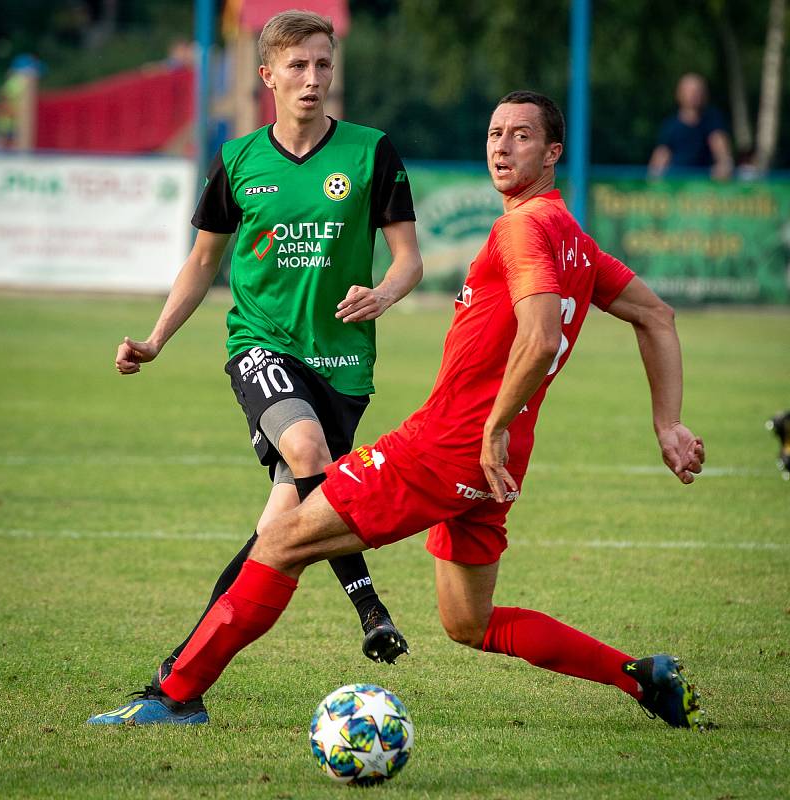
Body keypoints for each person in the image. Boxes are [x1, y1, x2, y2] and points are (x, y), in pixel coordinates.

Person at [90, 90, 707, 731]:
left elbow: (542, 334)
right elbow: (655, 315)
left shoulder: (522, 228)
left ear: (553, 153)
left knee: (280, 539)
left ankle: (175, 696)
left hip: (452, 447)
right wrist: (667, 422)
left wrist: (492, 424)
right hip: (497, 460)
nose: (501, 145)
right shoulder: (570, 236)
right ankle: (642, 677)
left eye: (521, 136)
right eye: (495, 132)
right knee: (469, 622)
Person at [106, 10, 423, 720]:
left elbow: (409, 259)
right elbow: (202, 263)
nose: (312, 78)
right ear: (268, 77)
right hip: (262, 346)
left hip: (342, 367)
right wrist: (156, 339)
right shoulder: (239, 160)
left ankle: (176, 686)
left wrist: (383, 293)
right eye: (297, 66)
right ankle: (367, 602)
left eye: (322, 64)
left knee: (278, 539)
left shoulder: (372, 153)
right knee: (306, 449)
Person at [648, 72, 733, 180]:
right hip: (677, 183)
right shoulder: (670, 126)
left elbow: (719, 145)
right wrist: (654, 178)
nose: (694, 95)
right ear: (679, 94)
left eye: (697, 91)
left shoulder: (712, 121)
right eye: (690, 91)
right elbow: (661, 156)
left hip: (705, 182)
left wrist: (724, 164)